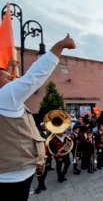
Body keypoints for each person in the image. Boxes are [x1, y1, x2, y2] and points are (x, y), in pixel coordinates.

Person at [0, 34, 75, 201]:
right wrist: (60, 46)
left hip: (11, 173)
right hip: (12, 177)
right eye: (8, 76)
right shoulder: (4, 97)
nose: (13, 78)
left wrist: (9, 70)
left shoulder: (4, 98)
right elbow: (34, 76)